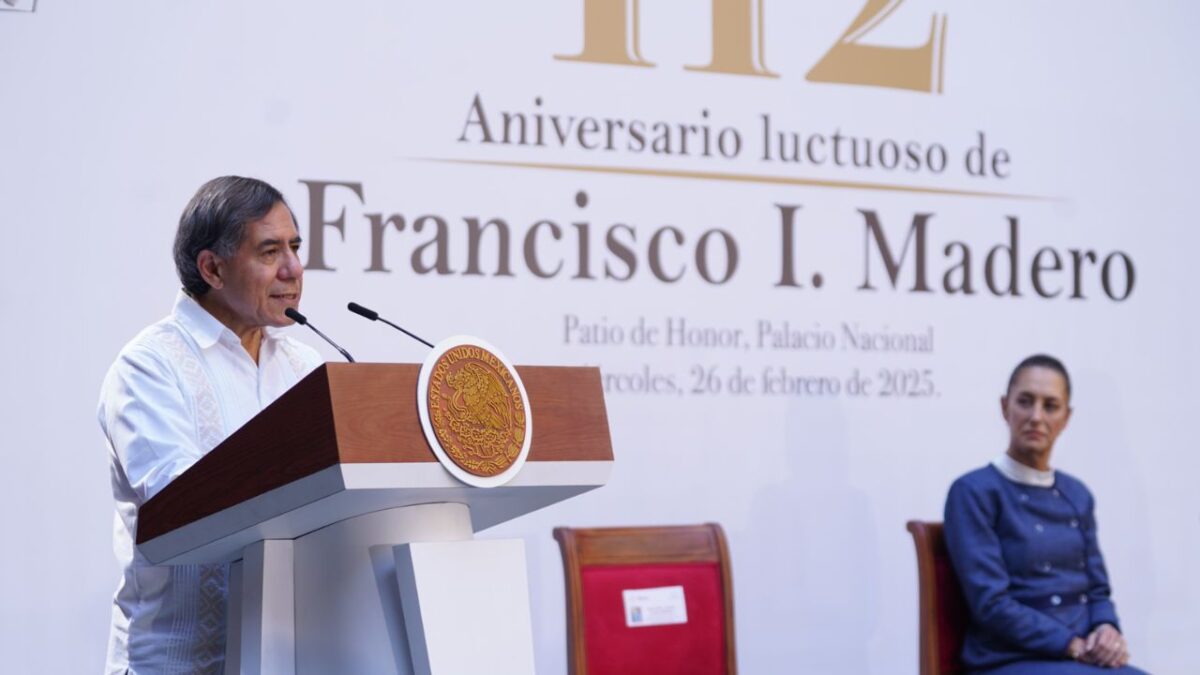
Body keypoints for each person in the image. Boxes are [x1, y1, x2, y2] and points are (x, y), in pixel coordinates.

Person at [98, 176, 323, 674]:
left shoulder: (305, 366)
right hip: (179, 662)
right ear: (212, 268)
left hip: (289, 656)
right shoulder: (149, 366)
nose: (293, 268)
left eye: (295, 247)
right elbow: (181, 506)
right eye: (270, 252)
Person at [943, 355, 1146, 674]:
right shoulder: (974, 492)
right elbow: (991, 604)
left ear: (1066, 417)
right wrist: (1070, 644)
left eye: (1050, 406)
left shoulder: (1077, 495)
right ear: (1004, 407)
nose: (1036, 416)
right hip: (1007, 659)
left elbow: (1097, 590)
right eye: (1025, 402)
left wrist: (1107, 629)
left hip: (1076, 657)